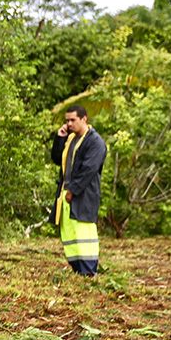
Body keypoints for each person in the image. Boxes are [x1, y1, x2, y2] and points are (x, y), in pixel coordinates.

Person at [50, 105, 108, 277]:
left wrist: (73, 190)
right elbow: (56, 158)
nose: (69, 124)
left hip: (83, 195)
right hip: (66, 194)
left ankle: (89, 272)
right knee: (69, 234)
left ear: (84, 119)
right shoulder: (70, 139)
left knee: (85, 234)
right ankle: (78, 271)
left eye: (72, 120)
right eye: (67, 120)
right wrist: (60, 138)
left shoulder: (95, 142)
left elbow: (88, 170)